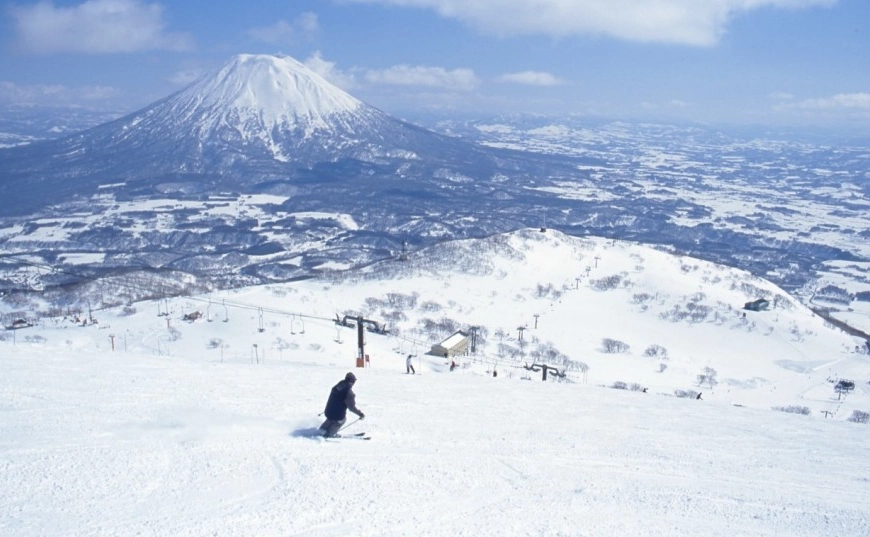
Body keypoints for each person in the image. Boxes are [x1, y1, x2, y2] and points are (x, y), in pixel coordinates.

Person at [319, 372, 365, 437]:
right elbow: (351, 408)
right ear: (352, 381)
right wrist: (360, 414)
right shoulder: (349, 393)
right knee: (341, 420)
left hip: (328, 411)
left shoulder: (337, 386)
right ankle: (330, 434)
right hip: (337, 415)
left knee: (330, 418)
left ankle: (322, 430)